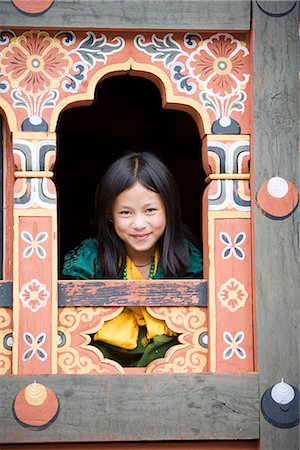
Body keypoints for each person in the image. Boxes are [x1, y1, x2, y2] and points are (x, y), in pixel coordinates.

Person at [62, 151, 202, 367]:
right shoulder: (90, 260)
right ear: (110, 214)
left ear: (168, 210)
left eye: (150, 210)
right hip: (99, 365)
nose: (138, 223)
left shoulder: (186, 258)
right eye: (126, 213)